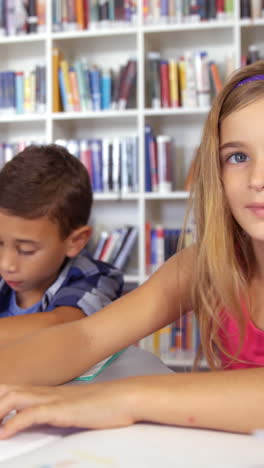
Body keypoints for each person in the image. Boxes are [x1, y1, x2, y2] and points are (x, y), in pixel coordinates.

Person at [0, 61, 264, 437]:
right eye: (238, 157)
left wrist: (119, 399)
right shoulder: (204, 266)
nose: (257, 179)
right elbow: (86, 338)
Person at [0, 143, 123, 345]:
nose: (6, 264)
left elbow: (64, 325)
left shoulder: (95, 278)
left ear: (75, 241)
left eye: (26, 250)